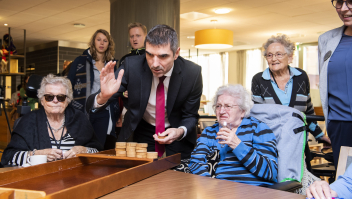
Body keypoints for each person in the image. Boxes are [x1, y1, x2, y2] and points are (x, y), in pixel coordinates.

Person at [86, 24, 203, 159]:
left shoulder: (192, 73)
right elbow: (91, 104)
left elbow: (190, 115)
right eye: (149, 54)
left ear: (176, 53)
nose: (154, 64)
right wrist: (103, 96)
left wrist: (180, 131)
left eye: (163, 56)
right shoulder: (132, 66)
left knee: (177, 175)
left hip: (176, 130)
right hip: (142, 129)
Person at [1, 74, 102, 166]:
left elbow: (99, 152)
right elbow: (9, 157)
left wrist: (84, 150)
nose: (55, 101)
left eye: (61, 97)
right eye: (49, 97)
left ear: (67, 101)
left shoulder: (79, 119)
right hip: (38, 181)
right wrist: (37, 154)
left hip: (75, 178)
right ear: (42, 100)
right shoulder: (28, 121)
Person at [188, 84, 278, 186]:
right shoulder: (210, 132)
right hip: (220, 191)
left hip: (254, 190)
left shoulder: (259, 129)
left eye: (228, 106)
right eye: (218, 106)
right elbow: (196, 162)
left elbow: (270, 172)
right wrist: (209, 186)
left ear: (242, 111)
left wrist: (237, 145)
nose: (221, 111)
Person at [251, 34, 330, 144]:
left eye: (278, 54)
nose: (274, 59)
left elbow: (308, 111)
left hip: (298, 140)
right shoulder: (259, 80)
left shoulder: (301, 76)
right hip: (272, 141)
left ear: (290, 57)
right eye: (269, 55)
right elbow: (257, 115)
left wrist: (319, 135)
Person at [67, 29, 120, 149]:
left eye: (105, 41)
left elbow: (116, 88)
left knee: (98, 146)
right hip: (84, 109)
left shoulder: (111, 64)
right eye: (99, 40)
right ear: (93, 42)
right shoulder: (80, 61)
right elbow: (68, 84)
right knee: (82, 144)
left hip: (104, 110)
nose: (102, 43)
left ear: (109, 44)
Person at [318, 0, 352, 168]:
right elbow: (324, 83)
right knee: (344, 180)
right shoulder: (326, 40)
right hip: (339, 124)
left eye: (350, 2)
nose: (344, 8)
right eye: (339, 2)